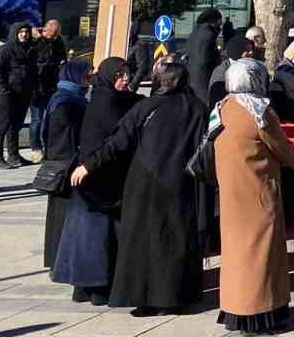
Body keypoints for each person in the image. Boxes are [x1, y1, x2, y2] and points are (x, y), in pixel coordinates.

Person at [71, 60, 208, 315]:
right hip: (183, 182)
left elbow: (118, 142)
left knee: (143, 241)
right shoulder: (197, 108)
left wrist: (88, 165)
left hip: (145, 182)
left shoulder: (146, 106)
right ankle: (175, 298)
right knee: (176, 240)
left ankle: (145, 298)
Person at [213, 59, 294, 334]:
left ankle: (235, 309)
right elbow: (282, 147)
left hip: (232, 192)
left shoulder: (222, 108)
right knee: (261, 255)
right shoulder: (259, 112)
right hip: (258, 192)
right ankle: (261, 310)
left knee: (235, 254)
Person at [52, 57, 142, 304]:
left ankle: (85, 288)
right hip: (97, 180)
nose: (125, 79)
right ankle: (97, 289)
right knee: (96, 238)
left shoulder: (113, 98)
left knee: (89, 235)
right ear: (108, 77)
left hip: (96, 178)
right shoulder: (106, 103)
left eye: (126, 74)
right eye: (119, 75)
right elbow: (113, 142)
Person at [40, 59, 92, 268]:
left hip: (59, 163)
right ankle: (60, 260)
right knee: (63, 216)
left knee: (59, 216)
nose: (90, 78)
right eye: (87, 74)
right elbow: (66, 136)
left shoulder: (62, 97)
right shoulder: (68, 103)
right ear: (75, 75)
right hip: (66, 165)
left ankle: (57, 259)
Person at [0, 21, 37, 168]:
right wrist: (4, 91)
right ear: (15, 33)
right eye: (21, 31)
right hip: (7, 93)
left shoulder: (31, 50)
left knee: (16, 126)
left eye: (26, 32)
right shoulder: (4, 50)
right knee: (2, 125)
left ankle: (14, 155)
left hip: (24, 93)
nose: (24, 34)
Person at [29, 18, 68, 154]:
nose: (53, 37)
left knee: (49, 117)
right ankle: (35, 147)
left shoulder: (58, 41)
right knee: (37, 119)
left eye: (55, 34)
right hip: (37, 85)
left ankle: (47, 145)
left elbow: (62, 58)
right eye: (52, 34)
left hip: (52, 84)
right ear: (46, 29)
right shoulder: (36, 41)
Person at [185, 8, 223, 105]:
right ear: (213, 21)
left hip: (192, 78)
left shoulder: (194, 34)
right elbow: (204, 60)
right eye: (219, 22)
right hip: (204, 79)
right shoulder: (209, 35)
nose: (221, 26)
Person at [207, 36, 256, 107]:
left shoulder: (250, 67)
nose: (251, 52)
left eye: (251, 49)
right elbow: (218, 99)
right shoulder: (221, 72)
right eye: (247, 50)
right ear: (238, 51)